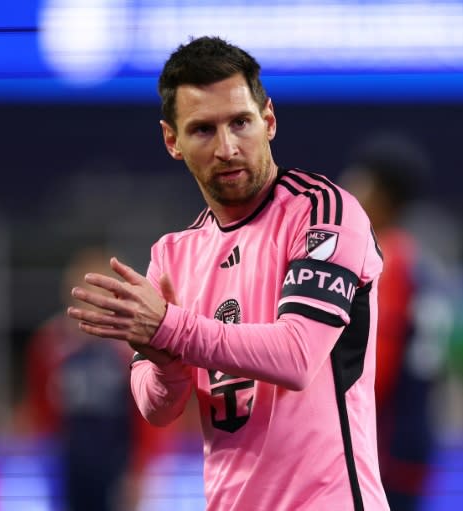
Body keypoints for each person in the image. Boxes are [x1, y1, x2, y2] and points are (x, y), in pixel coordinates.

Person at [67, 36, 389, 511]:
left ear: (269, 120)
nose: (227, 147)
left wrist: (169, 327)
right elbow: (158, 408)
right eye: (203, 130)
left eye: (240, 122)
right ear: (171, 140)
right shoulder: (173, 255)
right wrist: (165, 360)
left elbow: (297, 356)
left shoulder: (323, 211)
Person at [340, 133, 454, 511]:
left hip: (377, 448)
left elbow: (375, 369)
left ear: (381, 194)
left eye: (359, 180)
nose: (348, 189)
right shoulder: (422, 266)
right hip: (413, 440)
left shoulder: (381, 263)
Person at [21, 247, 178, 511]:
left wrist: (141, 469)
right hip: (70, 459)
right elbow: (41, 406)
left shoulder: (132, 345)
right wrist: (44, 451)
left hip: (116, 458)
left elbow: (150, 410)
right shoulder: (50, 343)